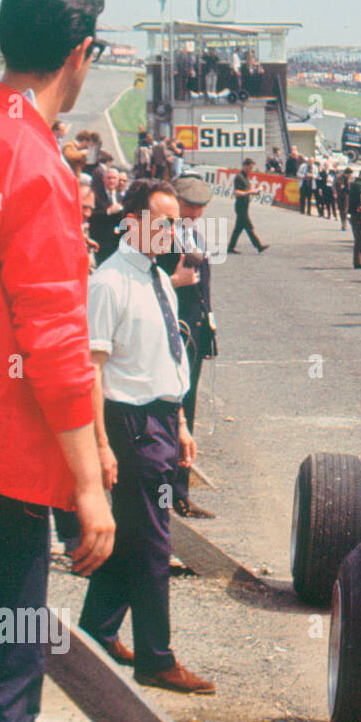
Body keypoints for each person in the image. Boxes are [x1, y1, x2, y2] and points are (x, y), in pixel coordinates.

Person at [0, 0, 115, 722]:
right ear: (80, 54)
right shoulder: (40, 168)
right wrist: (88, 490)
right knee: (1, 684)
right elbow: (56, 344)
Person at [83, 178, 214, 695]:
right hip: (129, 427)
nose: (171, 232)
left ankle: (96, 629)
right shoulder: (109, 283)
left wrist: (180, 422)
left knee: (135, 535)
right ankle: (156, 660)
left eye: (174, 223)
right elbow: (91, 370)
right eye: (162, 222)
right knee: (154, 544)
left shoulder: (159, 279)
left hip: (160, 420)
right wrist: (99, 445)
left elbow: (169, 357)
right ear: (130, 221)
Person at [166, 176, 220, 519]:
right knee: (170, 410)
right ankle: (165, 493)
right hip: (171, 331)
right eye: (190, 207)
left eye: (201, 208)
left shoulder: (195, 235)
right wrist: (174, 282)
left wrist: (210, 327)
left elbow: (205, 289)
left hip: (195, 332)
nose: (196, 214)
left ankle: (180, 493)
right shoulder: (156, 235)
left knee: (189, 408)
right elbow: (143, 287)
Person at [227, 158, 268, 254]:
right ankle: (258, 246)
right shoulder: (239, 177)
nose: (251, 170)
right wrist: (250, 192)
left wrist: (255, 192)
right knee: (249, 227)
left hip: (245, 205)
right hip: (240, 205)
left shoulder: (246, 177)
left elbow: (246, 191)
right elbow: (237, 192)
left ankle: (230, 247)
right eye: (250, 167)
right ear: (245, 166)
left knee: (238, 228)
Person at [349, 166, 361, 269]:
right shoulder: (360, 185)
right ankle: (359, 261)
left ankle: (358, 260)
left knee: (358, 238)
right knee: (360, 238)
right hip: (359, 214)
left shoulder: (354, 183)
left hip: (353, 213)